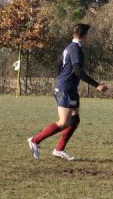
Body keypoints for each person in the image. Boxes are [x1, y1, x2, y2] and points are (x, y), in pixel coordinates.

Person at [27, 24, 108, 161]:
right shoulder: (75, 49)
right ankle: (35, 140)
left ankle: (59, 150)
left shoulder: (71, 47)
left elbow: (60, 66)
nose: (89, 37)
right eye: (88, 34)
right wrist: (97, 85)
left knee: (75, 120)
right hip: (65, 90)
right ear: (83, 36)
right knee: (63, 122)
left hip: (70, 89)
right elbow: (77, 71)